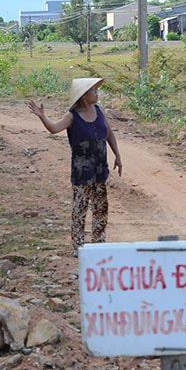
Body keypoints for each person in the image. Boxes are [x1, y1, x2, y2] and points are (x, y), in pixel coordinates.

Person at [28, 78, 122, 256]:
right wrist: (42, 117)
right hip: (82, 171)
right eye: (93, 90)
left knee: (101, 207)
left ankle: (98, 243)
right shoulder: (72, 116)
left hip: (100, 168)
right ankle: (78, 245)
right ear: (84, 96)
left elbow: (109, 133)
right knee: (80, 207)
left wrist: (117, 155)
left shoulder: (99, 111)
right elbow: (54, 129)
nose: (96, 93)